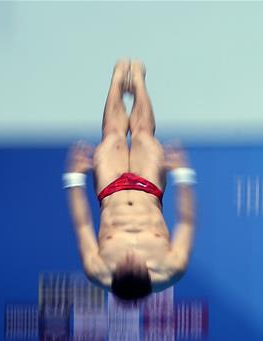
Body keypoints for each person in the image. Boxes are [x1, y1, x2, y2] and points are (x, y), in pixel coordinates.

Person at [63, 59, 196, 300]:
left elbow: (82, 225)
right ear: (147, 273)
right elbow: (186, 222)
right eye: (135, 262)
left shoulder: (97, 270)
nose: (130, 256)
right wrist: (183, 175)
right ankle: (138, 81)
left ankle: (116, 80)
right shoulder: (173, 267)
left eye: (124, 262)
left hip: (110, 189)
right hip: (149, 188)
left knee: (113, 135)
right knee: (143, 134)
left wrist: (74, 179)